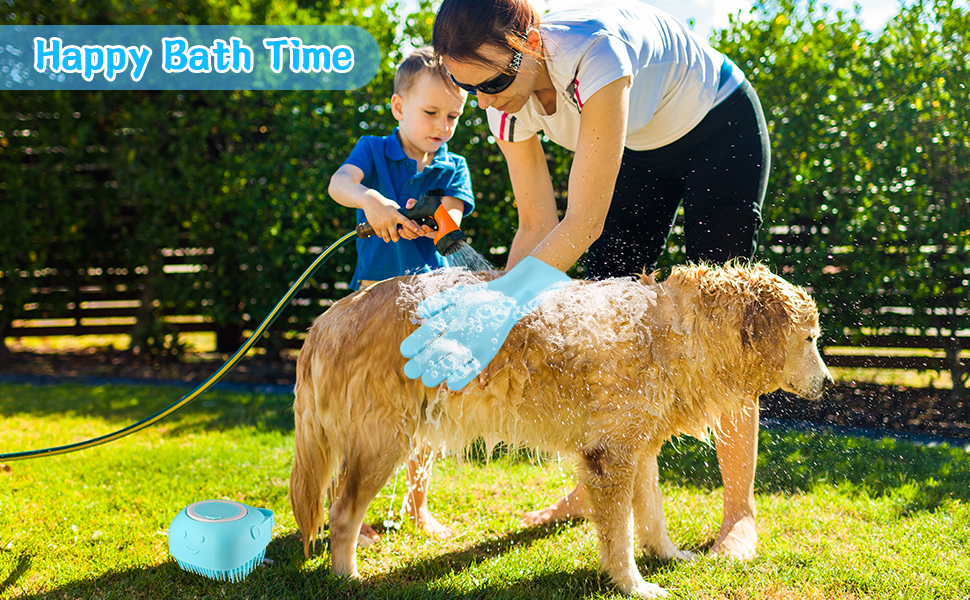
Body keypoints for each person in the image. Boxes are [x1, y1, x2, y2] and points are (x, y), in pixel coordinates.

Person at [414, 0, 771, 559]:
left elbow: (583, 221)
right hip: (637, 144)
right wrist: (499, 314)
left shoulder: (594, 52)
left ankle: (738, 512)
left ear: (529, 44)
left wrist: (501, 304)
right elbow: (537, 223)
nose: (484, 101)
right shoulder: (499, 104)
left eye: (492, 82)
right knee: (604, 310)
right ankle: (591, 487)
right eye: (468, 87)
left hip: (717, 126)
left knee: (725, 326)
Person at [328, 46, 474, 541]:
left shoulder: (452, 167)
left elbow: (452, 217)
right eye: (431, 112)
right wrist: (372, 200)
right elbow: (339, 184)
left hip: (428, 304)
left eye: (453, 115)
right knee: (367, 406)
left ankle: (418, 505)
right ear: (398, 107)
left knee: (424, 407)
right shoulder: (371, 151)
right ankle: (350, 502)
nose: (442, 125)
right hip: (372, 305)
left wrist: (434, 226)